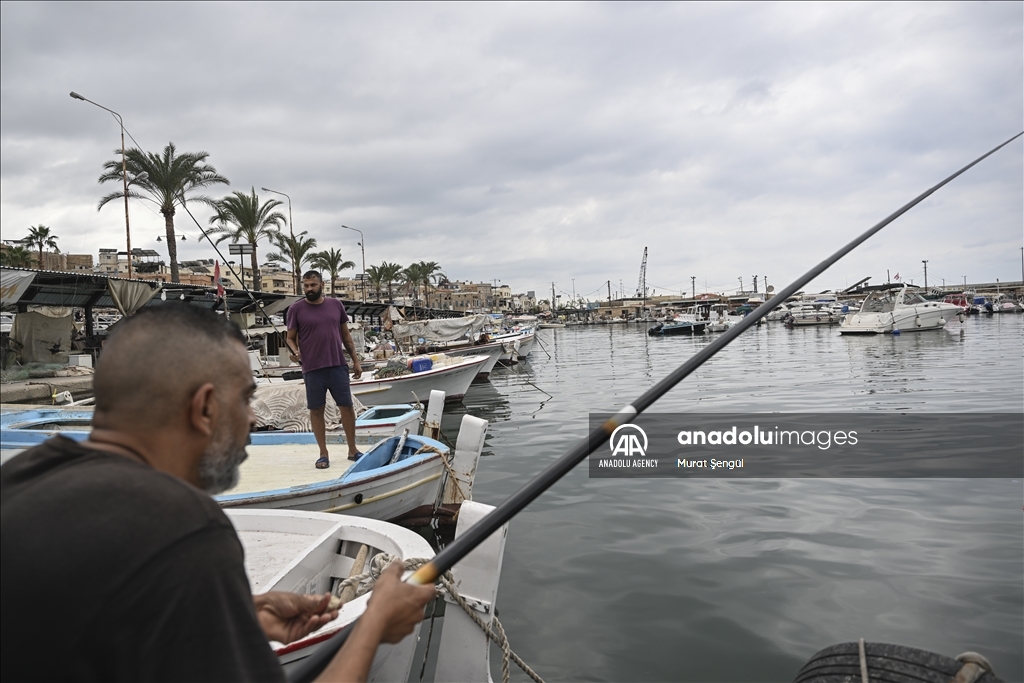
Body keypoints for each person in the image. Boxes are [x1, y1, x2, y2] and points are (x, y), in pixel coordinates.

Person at [0, 303, 435, 683]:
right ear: (205, 407)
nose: (250, 420)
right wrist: (373, 625)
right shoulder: (184, 529)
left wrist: (242, 614)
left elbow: (85, 616)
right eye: (245, 399)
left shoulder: (22, 478)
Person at [285, 270, 363, 468]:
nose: (309, 289)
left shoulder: (336, 305)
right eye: (306, 285)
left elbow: (346, 336)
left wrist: (356, 360)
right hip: (312, 369)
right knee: (316, 410)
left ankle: (352, 449)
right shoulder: (295, 309)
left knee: (346, 407)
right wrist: (295, 352)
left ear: (322, 285)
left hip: (337, 365)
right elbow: (290, 338)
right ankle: (323, 453)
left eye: (313, 285)